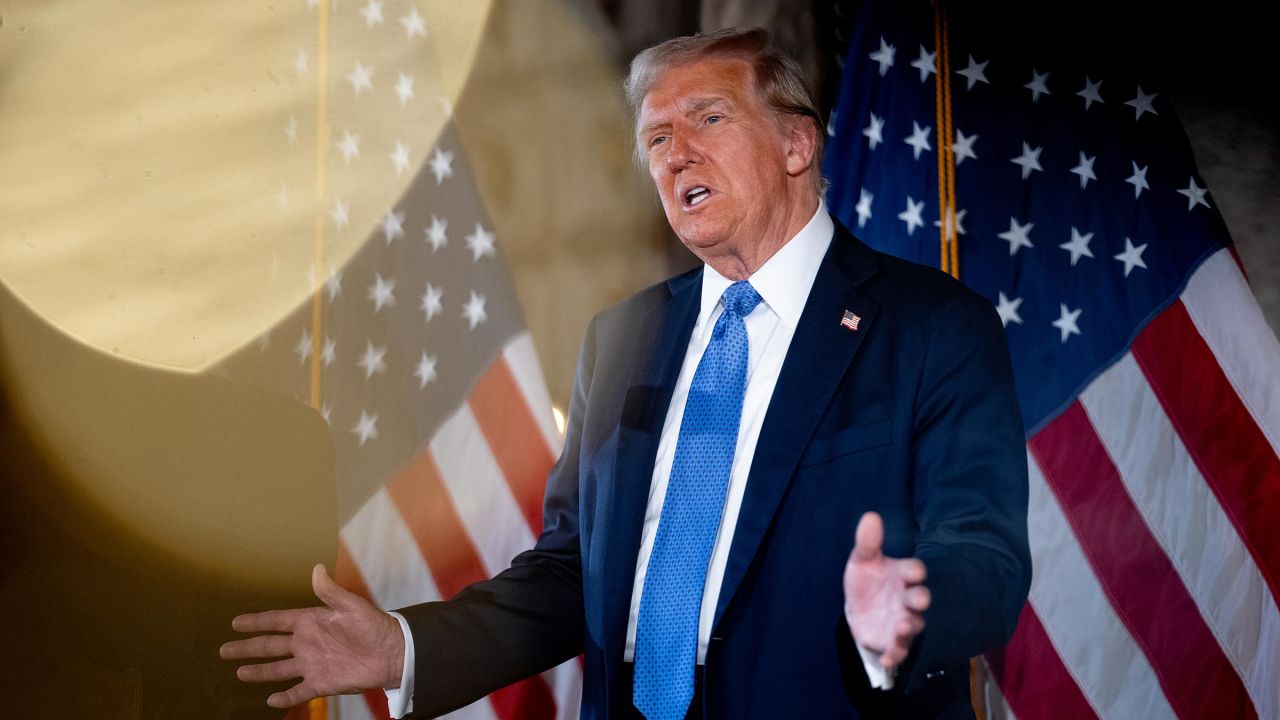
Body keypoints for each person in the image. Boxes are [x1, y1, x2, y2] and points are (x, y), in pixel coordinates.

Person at [222, 28, 1030, 719]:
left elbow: (986, 558)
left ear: (796, 143)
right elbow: (573, 572)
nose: (678, 153)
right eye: (656, 138)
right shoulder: (624, 336)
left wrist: (907, 609)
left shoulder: (933, 326)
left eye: (708, 118)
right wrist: (407, 647)